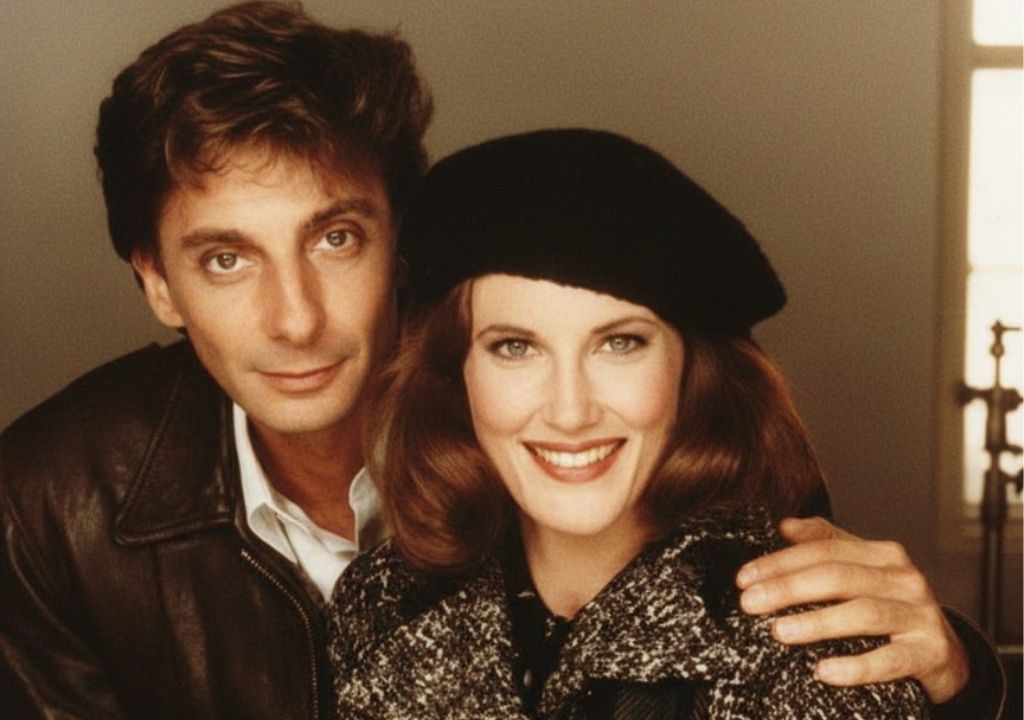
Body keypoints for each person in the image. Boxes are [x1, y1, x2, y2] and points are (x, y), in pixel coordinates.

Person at [0, 2, 999, 718]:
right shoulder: (47, 505)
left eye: (336, 238)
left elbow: (809, 631)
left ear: (405, 245)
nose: (294, 318)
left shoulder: (578, 408)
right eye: (226, 259)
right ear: (158, 284)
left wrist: (958, 677)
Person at [327, 129, 1001, 719]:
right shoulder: (382, 602)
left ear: (689, 370)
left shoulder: (816, 645)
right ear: (458, 372)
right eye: (515, 347)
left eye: (619, 343)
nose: (570, 411)